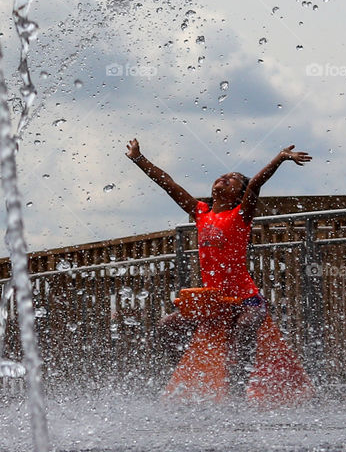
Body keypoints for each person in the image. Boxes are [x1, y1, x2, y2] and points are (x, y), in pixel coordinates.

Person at [125, 138, 311, 394]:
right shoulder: (201, 212)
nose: (224, 177)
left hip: (247, 300)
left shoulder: (241, 215)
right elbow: (169, 185)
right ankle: (183, 367)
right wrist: (139, 159)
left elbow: (255, 185)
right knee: (166, 326)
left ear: (239, 194)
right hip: (214, 302)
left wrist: (279, 158)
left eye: (232, 178)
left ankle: (238, 386)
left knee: (246, 326)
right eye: (223, 175)